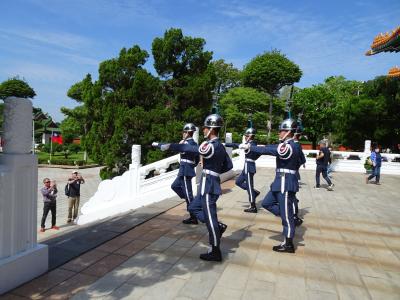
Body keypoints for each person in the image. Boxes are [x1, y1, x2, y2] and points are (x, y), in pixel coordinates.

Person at [154, 114, 233, 261]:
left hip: (209, 187)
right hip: (207, 184)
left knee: (211, 218)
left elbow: (189, 149)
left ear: (211, 129)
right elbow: (229, 165)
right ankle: (218, 227)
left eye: (205, 128)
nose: (203, 130)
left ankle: (215, 250)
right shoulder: (218, 146)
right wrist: (215, 171)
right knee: (193, 208)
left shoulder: (211, 145)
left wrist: (169, 145)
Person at [240, 118, 301, 253]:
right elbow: (272, 148)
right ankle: (290, 218)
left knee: (286, 215)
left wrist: (250, 147)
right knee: (267, 203)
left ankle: (288, 243)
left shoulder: (290, 145)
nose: (279, 133)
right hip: (279, 182)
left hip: (286, 183)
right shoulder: (289, 145)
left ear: (288, 132)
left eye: (281, 131)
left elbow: (270, 151)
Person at [152, 123, 200, 224]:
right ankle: (189, 201)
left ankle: (194, 217)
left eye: (183, 132)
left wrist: (158, 145)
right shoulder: (191, 144)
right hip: (183, 171)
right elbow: (196, 160)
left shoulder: (189, 144)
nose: (182, 134)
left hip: (186, 171)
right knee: (175, 186)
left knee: (189, 195)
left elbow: (171, 146)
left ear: (187, 133)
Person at [225, 126, 261, 213]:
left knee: (249, 186)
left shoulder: (252, 144)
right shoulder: (250, 144)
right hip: (246, 167)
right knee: (238, 182)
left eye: (246, 135)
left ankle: (253, 206)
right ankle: (254, 192)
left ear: (250, 136)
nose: (245, 137)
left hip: (249, 168)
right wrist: (226, 144)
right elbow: (237, 144)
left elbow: (258, 152)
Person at [293, 129, 306, 226]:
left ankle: (294, 216)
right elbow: (303, 160)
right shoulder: (296, 144)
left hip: (291, 174)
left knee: (292, 196)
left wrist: (294, 167)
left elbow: (302, 159)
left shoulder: (296, 145)